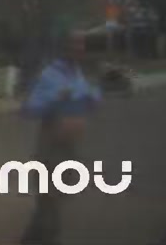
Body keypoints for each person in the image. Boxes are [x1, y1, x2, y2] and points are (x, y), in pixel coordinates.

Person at [19, 34, 101, 245]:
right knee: (49, 206)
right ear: (64, 48)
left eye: (82, 44)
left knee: (54, 203)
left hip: (70, 147)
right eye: (74, 44)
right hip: (51, 147)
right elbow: (28, 109)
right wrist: (55, 99)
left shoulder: (78, 74)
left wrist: (93, 97)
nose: (79, 48)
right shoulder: (50, 75)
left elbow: (89, 101)